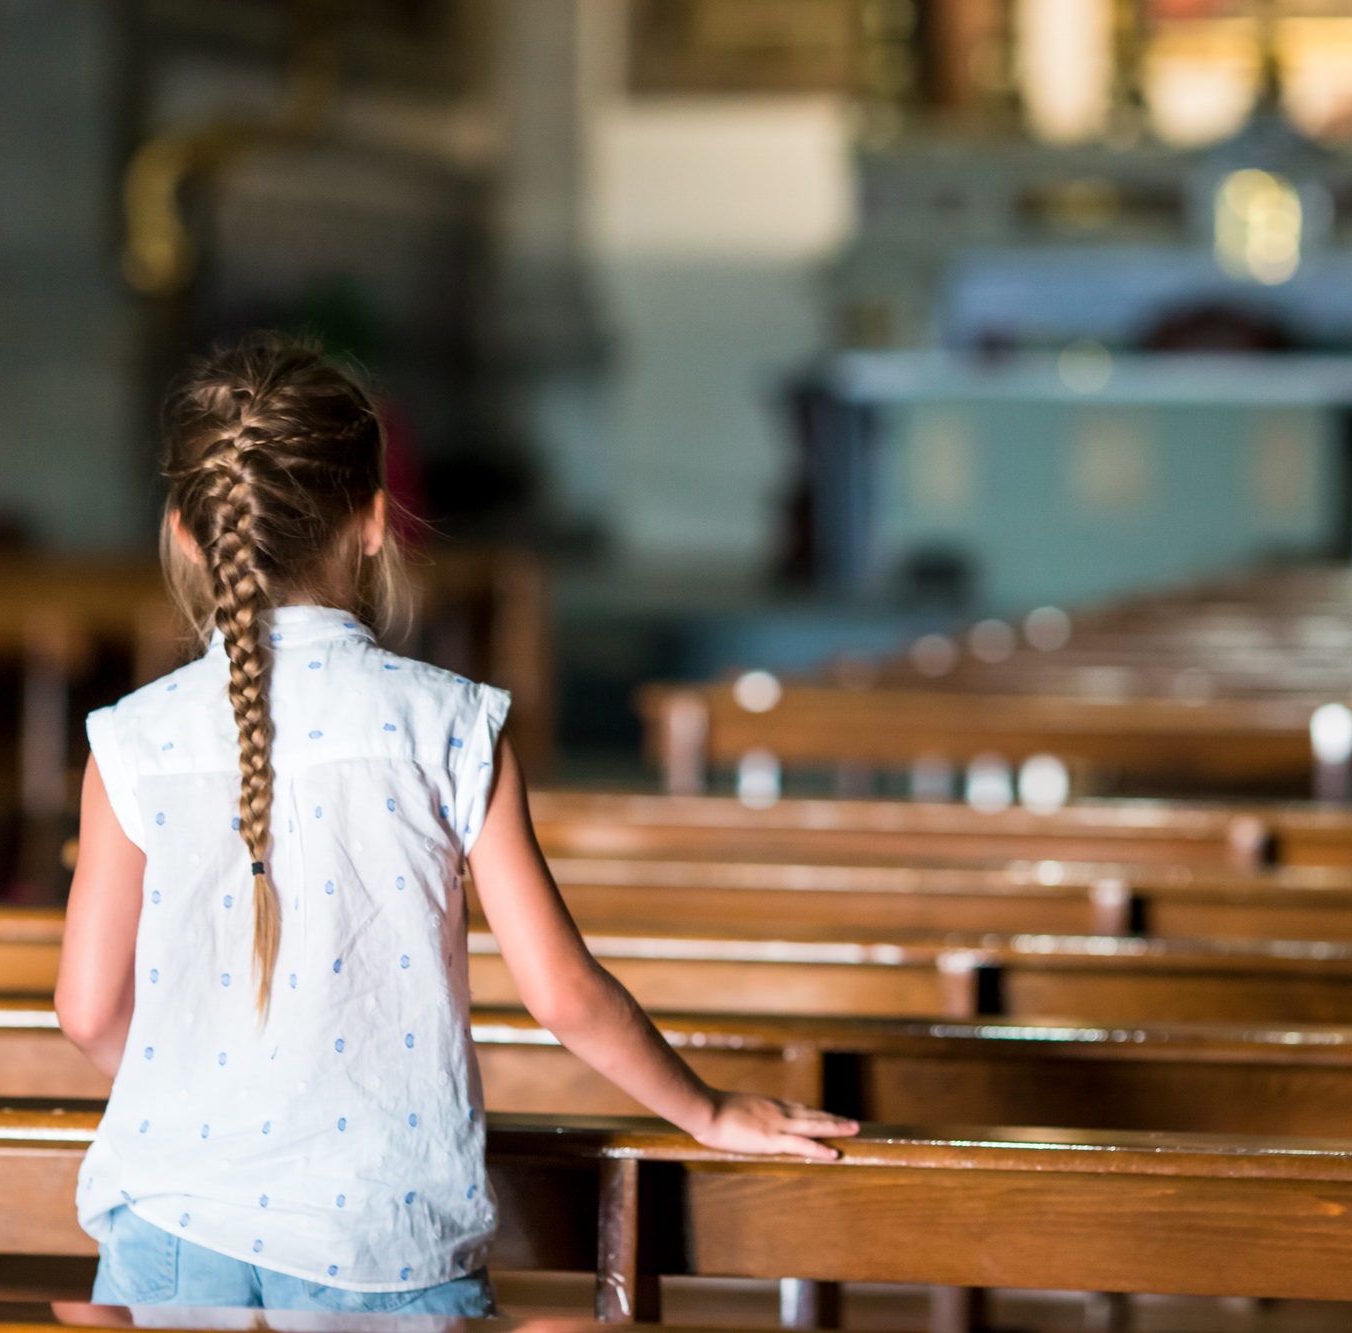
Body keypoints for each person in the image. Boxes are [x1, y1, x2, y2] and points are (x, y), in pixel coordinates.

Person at [54, 334, 857, 1314]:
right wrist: (708, 1107)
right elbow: (560, 993)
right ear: (375, 522)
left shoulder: (129, 741)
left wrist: (212, 1101)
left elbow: (89, 1013)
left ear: (185, 533)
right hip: (381, 1233)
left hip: (166, 1220)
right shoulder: (450, 726)